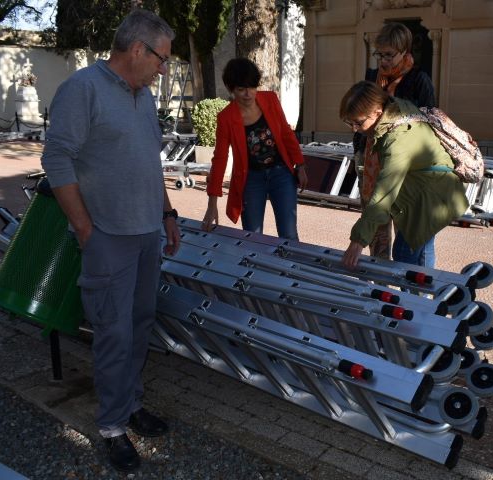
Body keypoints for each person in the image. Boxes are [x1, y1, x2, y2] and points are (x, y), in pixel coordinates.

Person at [41, 9, 180, 473]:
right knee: (113, 332)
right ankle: (112, 426)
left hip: (146, 234)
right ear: (138, 49)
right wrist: (85, 229)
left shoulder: (141, 97)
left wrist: (168, 214)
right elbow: (57, 161)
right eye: (162, 59)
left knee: (139, 325)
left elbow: (150, 163)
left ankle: (130, 402)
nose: (164, 69)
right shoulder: (83, 89)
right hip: (108, 237)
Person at [340, 81, 469, 270]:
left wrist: (358, 241)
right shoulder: (394, 112)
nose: (354, 129)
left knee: (405, 255)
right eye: (349, 122)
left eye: (358, 122)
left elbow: (384, 194)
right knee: (419, 252)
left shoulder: (397, 138)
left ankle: (416, 298)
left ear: (377, 113)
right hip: (431, 191)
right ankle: (422, 296)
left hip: (432, 195)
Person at [356, 22, 437, 266]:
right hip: (372, 166)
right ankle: (383, 293)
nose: (383, 60)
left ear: (404, 51)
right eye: (379, 54)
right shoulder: (372, 78)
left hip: (407, 170)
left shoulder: (419, 80)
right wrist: (358, 151)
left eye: (389, 54)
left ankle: (417, 296)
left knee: (411, 245)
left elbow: (430, 124)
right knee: (378, 242)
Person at [202, 58, 307, 239]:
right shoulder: (226, 117)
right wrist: (212, 203)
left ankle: (290, 268)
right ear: (231, 89)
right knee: (252, 236)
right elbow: (220, 158)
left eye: (252, 87)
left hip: (281, 173)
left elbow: (286, 134)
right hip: (251, 179)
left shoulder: (270, 99)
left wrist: (301, 165)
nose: (248, 94)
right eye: (241, 89)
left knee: (289, 234)